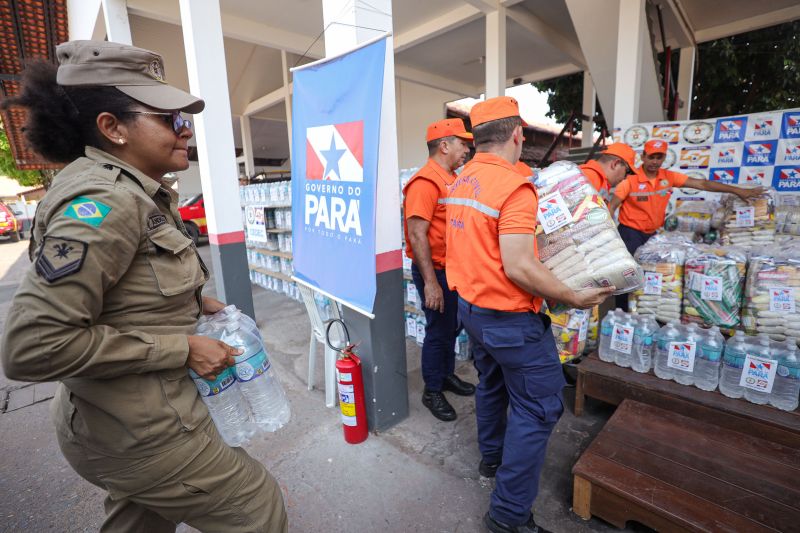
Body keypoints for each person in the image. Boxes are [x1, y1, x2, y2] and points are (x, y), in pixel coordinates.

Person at [0, 41, 287, 532]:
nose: (184, 129)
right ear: (112, 127)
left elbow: (124, 289)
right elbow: (32, 347)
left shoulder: (136, 191)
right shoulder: (103, 202)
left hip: (116, 424)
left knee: (143, 518)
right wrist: (182, 347)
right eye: (169, 118)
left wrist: (190, 304)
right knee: (258, 509)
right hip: (142, 433)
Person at [443, 96, 614, 533]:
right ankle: (508, 516)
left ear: (477, 139)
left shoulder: (463, 180)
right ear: (518, 134)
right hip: (509, 320)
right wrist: (572, 296)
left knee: (492, 384)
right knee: (538, 408)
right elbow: (519, 265)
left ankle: (492, 458)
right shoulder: (513, 187)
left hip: (473, 311)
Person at [403, 118, 476, 421]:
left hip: (453, 269)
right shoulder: (425, 182)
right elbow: (417, 233)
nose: (467, 150)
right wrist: (431, 283)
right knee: (438, 330)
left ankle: (445, 375)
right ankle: (432, 389)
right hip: (435, 272)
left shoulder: (452, 177)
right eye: (463, 144)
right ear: (444, 145)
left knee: (450, 327)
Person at [609, 139, 764, 256]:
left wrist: (737, 191)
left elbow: (702, 184)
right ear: (643, 157)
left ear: (664, 158)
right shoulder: (629, 180)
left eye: (659, 157)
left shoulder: (668, 177)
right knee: (630, 274)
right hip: (630, 233)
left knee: (649, 270)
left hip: (653, 234)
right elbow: (612, 206)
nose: (655, 162)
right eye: (651, 157)